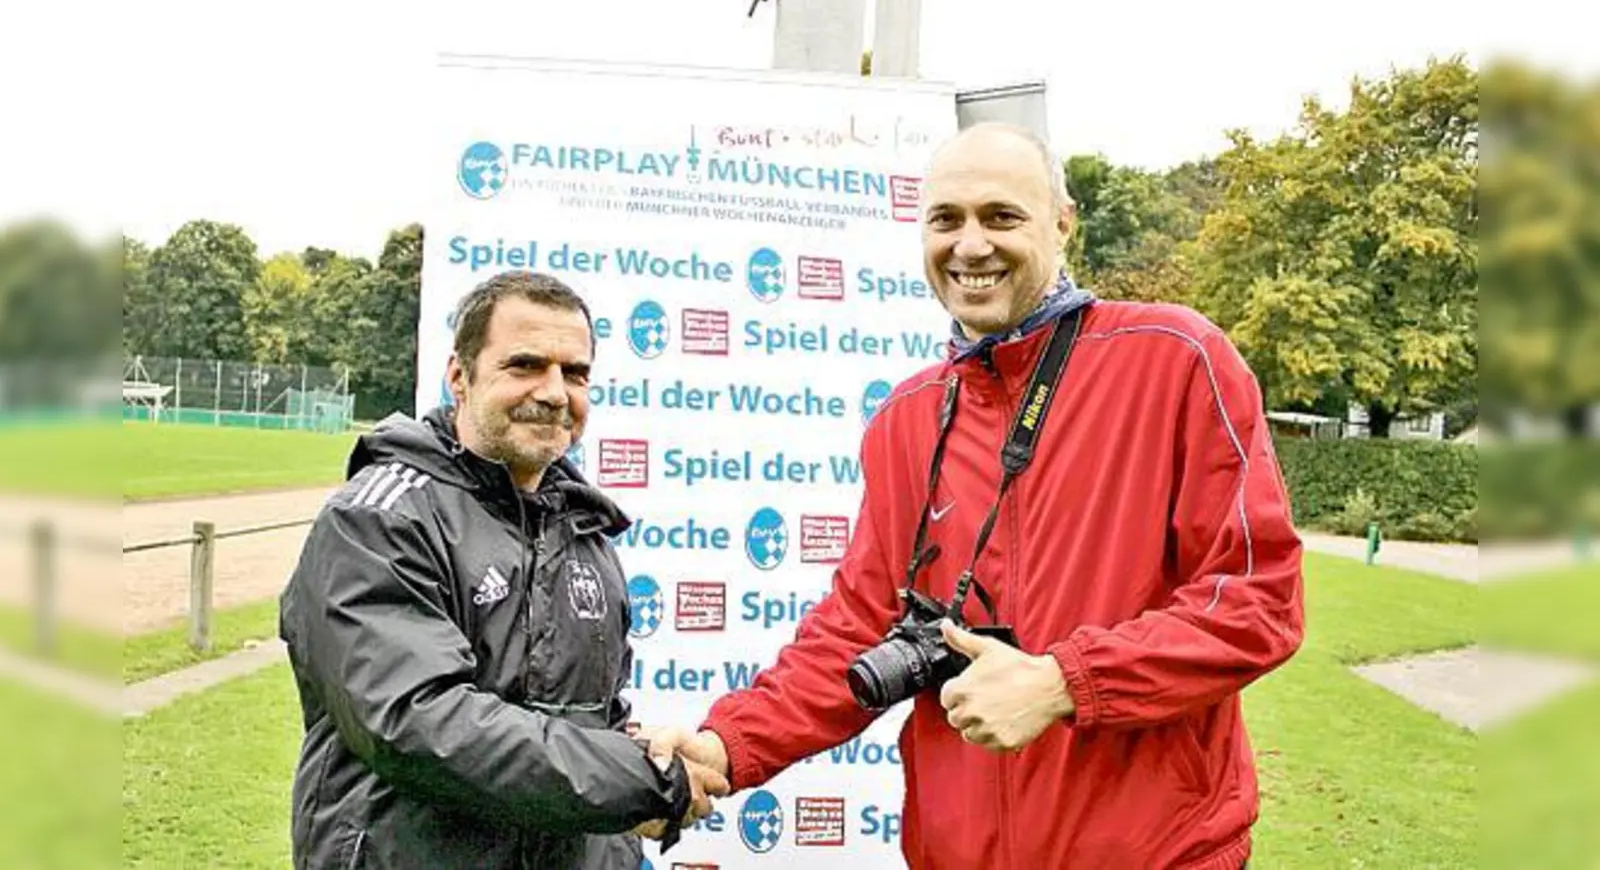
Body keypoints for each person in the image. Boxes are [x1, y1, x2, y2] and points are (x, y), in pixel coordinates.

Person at [640, 122, 1305, 869]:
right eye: (946, 220)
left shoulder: (1176, 358)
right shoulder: (906, 417)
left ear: (1062, 224)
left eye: (1001, 216)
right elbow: (859, 627)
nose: (971, 245)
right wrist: (727, 747)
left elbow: (1256, 602)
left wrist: (1065, 682)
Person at [278, 271, 728, 869]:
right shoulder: (377, 520)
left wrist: (637, 764)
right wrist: (641, 778)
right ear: (459, 378)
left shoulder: (583, 528)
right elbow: (420, 722)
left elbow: (589, 721)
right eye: (524, 365)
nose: (553, 392)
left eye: (575, 373)